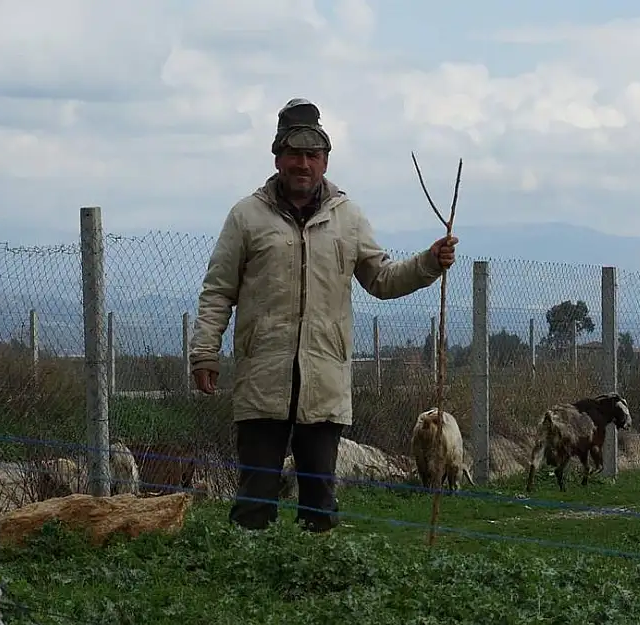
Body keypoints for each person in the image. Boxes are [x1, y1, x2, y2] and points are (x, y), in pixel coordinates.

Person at [188, 97, 458, 532]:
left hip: (324, 379)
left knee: (319, 501)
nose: (302, 163)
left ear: (325, 161)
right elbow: (218, 291)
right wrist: (204, 353)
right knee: (255, 498)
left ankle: (317, 585)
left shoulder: (347, 218)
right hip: (263, 377)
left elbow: (382, 279)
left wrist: (428, 262)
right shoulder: (246, 217)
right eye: (294, 154)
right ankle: (247, 583)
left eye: (312, 155)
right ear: (277, 157)